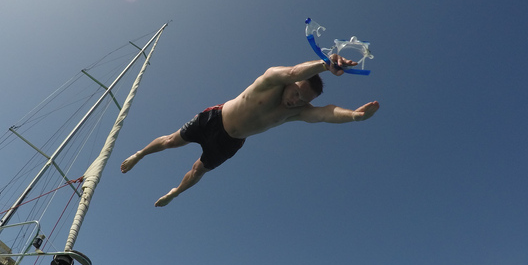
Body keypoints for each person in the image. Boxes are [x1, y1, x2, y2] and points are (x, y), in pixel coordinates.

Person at [121, 55, 380, 206]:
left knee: (199, 170)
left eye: (303, 100)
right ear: (291, 84)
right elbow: (292, 71)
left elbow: (325, 113)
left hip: (230, 142)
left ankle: (176, 191)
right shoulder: (272, 80)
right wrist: (325, 65)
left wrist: (354, 116)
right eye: (296, 93)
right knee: (170, 141)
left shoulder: (296, 112)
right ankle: (140, 154)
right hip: (214, 118)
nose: (296, 101)